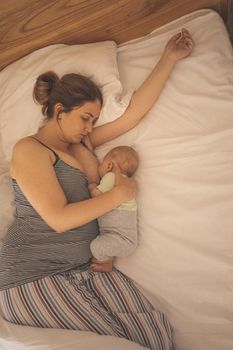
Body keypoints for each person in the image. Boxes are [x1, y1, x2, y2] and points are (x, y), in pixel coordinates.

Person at [0, 29, 193, 350]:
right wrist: (118, 196)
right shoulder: (29, 149)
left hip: (82, 267)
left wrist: (169, 58)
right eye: (86, 118)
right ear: (60, 111)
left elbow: (132, 115)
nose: (91, 128)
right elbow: (59, 219)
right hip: (28, 276)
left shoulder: (82, 144)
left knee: (155, 335)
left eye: (94, 121)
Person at [89, 145, 139, 271]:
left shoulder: (110, 177)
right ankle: (108, 260)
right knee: (99, 244)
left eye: (101, 163)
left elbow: (96, 196)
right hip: (122, 238)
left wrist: (91, 187)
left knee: (96, 246)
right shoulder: (127, 182)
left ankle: (106, 262)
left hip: (122, 239)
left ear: (109, 166)